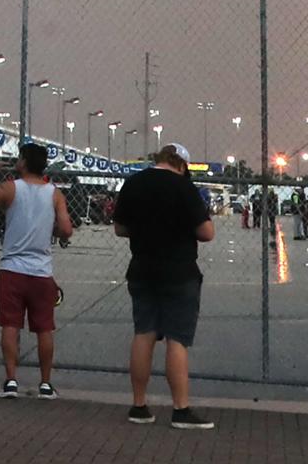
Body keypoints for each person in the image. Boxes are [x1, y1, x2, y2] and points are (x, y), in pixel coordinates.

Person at [113, 143, 215, 430]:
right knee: (176, 339)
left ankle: (139, 405)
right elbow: (206, 232)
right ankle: (180, 409)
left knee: (143, 333)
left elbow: (120, 228)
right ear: (181, 165)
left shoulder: (133, 183)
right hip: (178, 271)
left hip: (142, 268)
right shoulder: (183, 188)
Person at [0, 143, 73, 399]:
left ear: (23, 162)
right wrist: (53, 230)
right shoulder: (54, 194)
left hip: (12, 269)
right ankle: (46, 383)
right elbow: (67, 229)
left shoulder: (10, 188)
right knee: (44, 329)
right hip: (41, 271)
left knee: (10, 325)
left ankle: (11, 380)